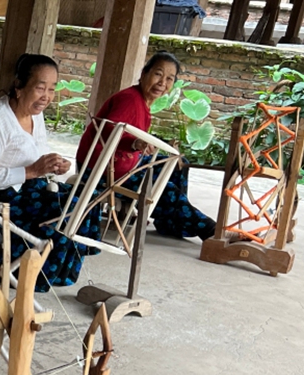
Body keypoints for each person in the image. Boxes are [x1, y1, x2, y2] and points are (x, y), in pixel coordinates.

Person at [0, 53, 102, 292]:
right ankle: (19, 270)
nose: (46, 96)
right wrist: (31, 171)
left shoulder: (36, 116)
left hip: (22, 188)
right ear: (19, 86)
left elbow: (35, 159)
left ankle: (59, 271)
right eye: (39, 88)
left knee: (87, 199)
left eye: (51, 89)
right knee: (61, 211)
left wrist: (54, 168)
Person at [77, 51, 215, 241]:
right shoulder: (130, 99)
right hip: (104, 170)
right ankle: (210, 230)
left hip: (125, 165)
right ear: (143, 74)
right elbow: (110, 128)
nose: (162, 83)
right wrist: (134, 143)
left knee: (177, 162)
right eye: (158, 74)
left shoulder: (143, 102)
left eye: (169, 79)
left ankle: (170, 222)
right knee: (166, 190)